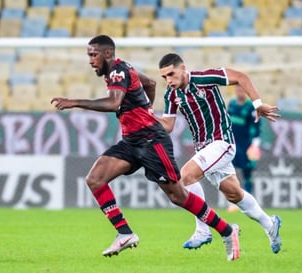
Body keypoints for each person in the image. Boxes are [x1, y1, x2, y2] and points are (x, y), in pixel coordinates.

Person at [51, 35, 240, 261]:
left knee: (178, 196)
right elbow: (150, 83)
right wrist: (146, 110)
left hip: (152, 141)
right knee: (95, 178)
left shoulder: (118, 72)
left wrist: (75, 102)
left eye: (94, 55)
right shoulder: (123, 68)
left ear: (107, 54)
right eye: (89, 55)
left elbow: (114, 103)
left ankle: (227, 231)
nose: (91, 60)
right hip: (131, 141)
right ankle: (124, 233)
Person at [157, 52, 282, 254]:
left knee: (185, 177)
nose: (168, 80)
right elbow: (168, 125)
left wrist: (258, 104)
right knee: (233, 194)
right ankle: (270, 225)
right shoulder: (171, 95)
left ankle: (203, 230)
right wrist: (144, 118)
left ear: (182, 68)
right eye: (164, 77)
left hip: (221, 142)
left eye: (171, 74)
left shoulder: (204, 79)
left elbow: (241, 77)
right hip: (205, 149)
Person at [226, 85, 261, 212]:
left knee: (247, 173)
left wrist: (255, 144)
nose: (239, 91)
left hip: (247, 145)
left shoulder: (250, 107)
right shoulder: (232, 104)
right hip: (232, 144)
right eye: (237, 89)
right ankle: (234, 202)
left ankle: (249, 202)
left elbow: (256, 126)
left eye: (241, 89)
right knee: (230, 172)